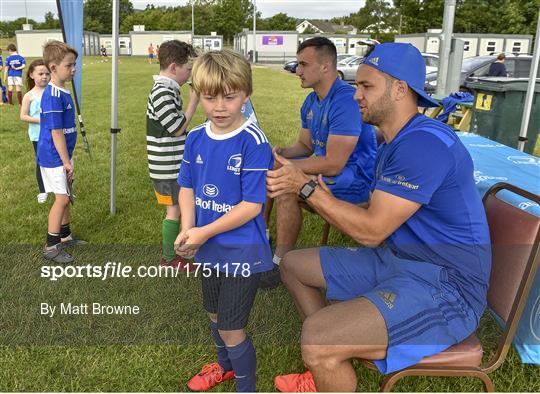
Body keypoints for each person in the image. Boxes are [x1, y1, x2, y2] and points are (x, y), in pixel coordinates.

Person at [268, 43, 492, 392]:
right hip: (400, 261)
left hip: (447, 287)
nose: (356, 95)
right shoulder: (394, 141)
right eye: (357, 85)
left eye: (366, 86)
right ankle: (330, 362)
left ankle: (326, 354)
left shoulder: (423, 144)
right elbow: (373, 215)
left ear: (400, 89)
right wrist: (324, 197)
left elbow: (372, 231)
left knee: (318, 338)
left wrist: (308, 190)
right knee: (293, 266)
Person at [175, 49, 273, 392]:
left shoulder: (254, 141)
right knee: (214, 315)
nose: (219, 107)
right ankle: (225, 367)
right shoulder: (195, 137)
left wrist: (203, 231)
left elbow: (252, 206)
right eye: (209, 97)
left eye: (230, 97)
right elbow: (185, 186)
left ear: (245, 94)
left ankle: (246, 386)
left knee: (232, 328)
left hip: (241, 251)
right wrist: (189, 227)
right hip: (207, 245)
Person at [260, 37, 377, 289]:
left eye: (303, 64)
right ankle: (261, 239)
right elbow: (305, 146)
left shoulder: (345, 100)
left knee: (286, 185)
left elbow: (335, 163)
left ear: (325, 67)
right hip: (330, 173)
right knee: (268, 169)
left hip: (355, 180)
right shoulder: (312, 101)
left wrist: (287, 168)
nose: (297, 70)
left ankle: (280, 264)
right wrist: (279, 153)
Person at [146, 40, 199, 268]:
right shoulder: (162, 92)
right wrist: (194, 102)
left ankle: (176, 253)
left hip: (172, 163)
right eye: (188, 70)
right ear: (174, 67)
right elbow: (177, 128)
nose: (189, 75)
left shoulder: (169, 89)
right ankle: (169, 258)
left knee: (179, 207)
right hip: (167, 166)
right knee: (175, 210)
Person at [38, 40, 87, 263]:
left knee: (67, 194)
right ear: (53, 68)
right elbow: (56, 132)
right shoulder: (53, 95)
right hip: (54, 156)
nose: (73, 69)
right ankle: (51, 245)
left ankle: (65, 236)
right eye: (69, 65)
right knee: (62, 199)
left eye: (74, 64)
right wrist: (66, 162)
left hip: (63, 154)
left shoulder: (63, 91)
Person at [20, 59, 51, 204]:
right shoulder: (29, 95)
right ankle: (43, 190)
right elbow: (23, 116)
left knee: (58, 160)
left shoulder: (52, 91)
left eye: (47, 73)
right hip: (38, 135)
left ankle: (61, 188)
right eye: (40, 74)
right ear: (32, 75)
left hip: (54, 133)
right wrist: (40, 120)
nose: (44, 76)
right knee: (41, 162)